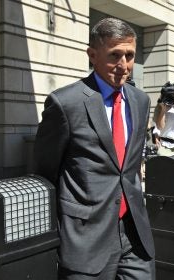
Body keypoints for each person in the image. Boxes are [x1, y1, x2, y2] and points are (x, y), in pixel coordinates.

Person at [33, 18, 155, 279]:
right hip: (86, 238)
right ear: (92, 55)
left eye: (130, 55)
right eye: (115, 55)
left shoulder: (140, 101)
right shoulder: (66, 103)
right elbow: (45, 173)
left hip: (134, 234)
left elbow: (128, 167)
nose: (124, 66)